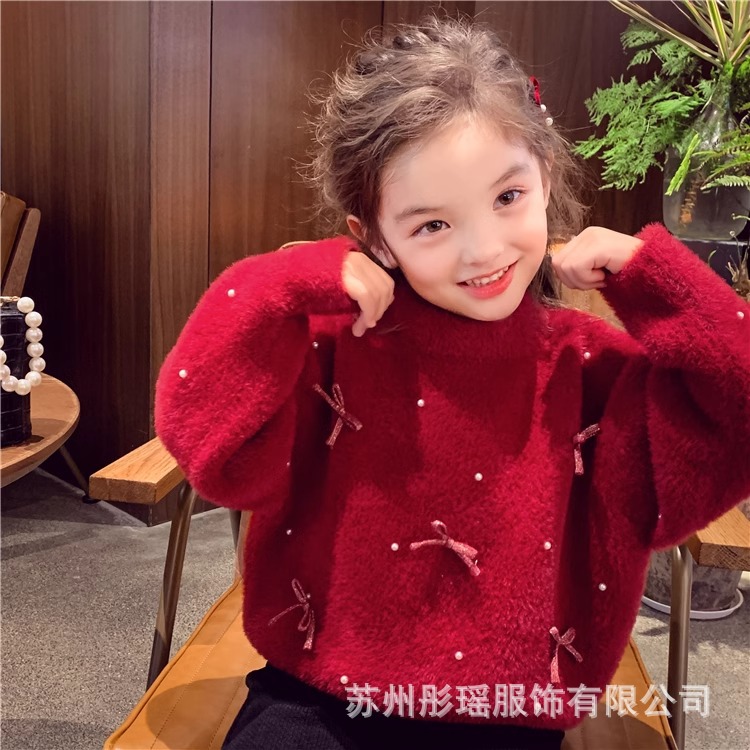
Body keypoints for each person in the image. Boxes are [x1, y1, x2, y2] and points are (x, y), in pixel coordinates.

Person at [154, 16, 750, 750]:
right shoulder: (332, 347)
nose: (484, 250)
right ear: (373, 235)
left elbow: (738, 413)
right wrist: (282, 281)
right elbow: (204, 436)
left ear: (546, 176)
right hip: (319, 692)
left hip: (506, 711)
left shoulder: (593, 369)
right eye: (431, 225)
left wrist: (658, 280)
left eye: (508, 197)